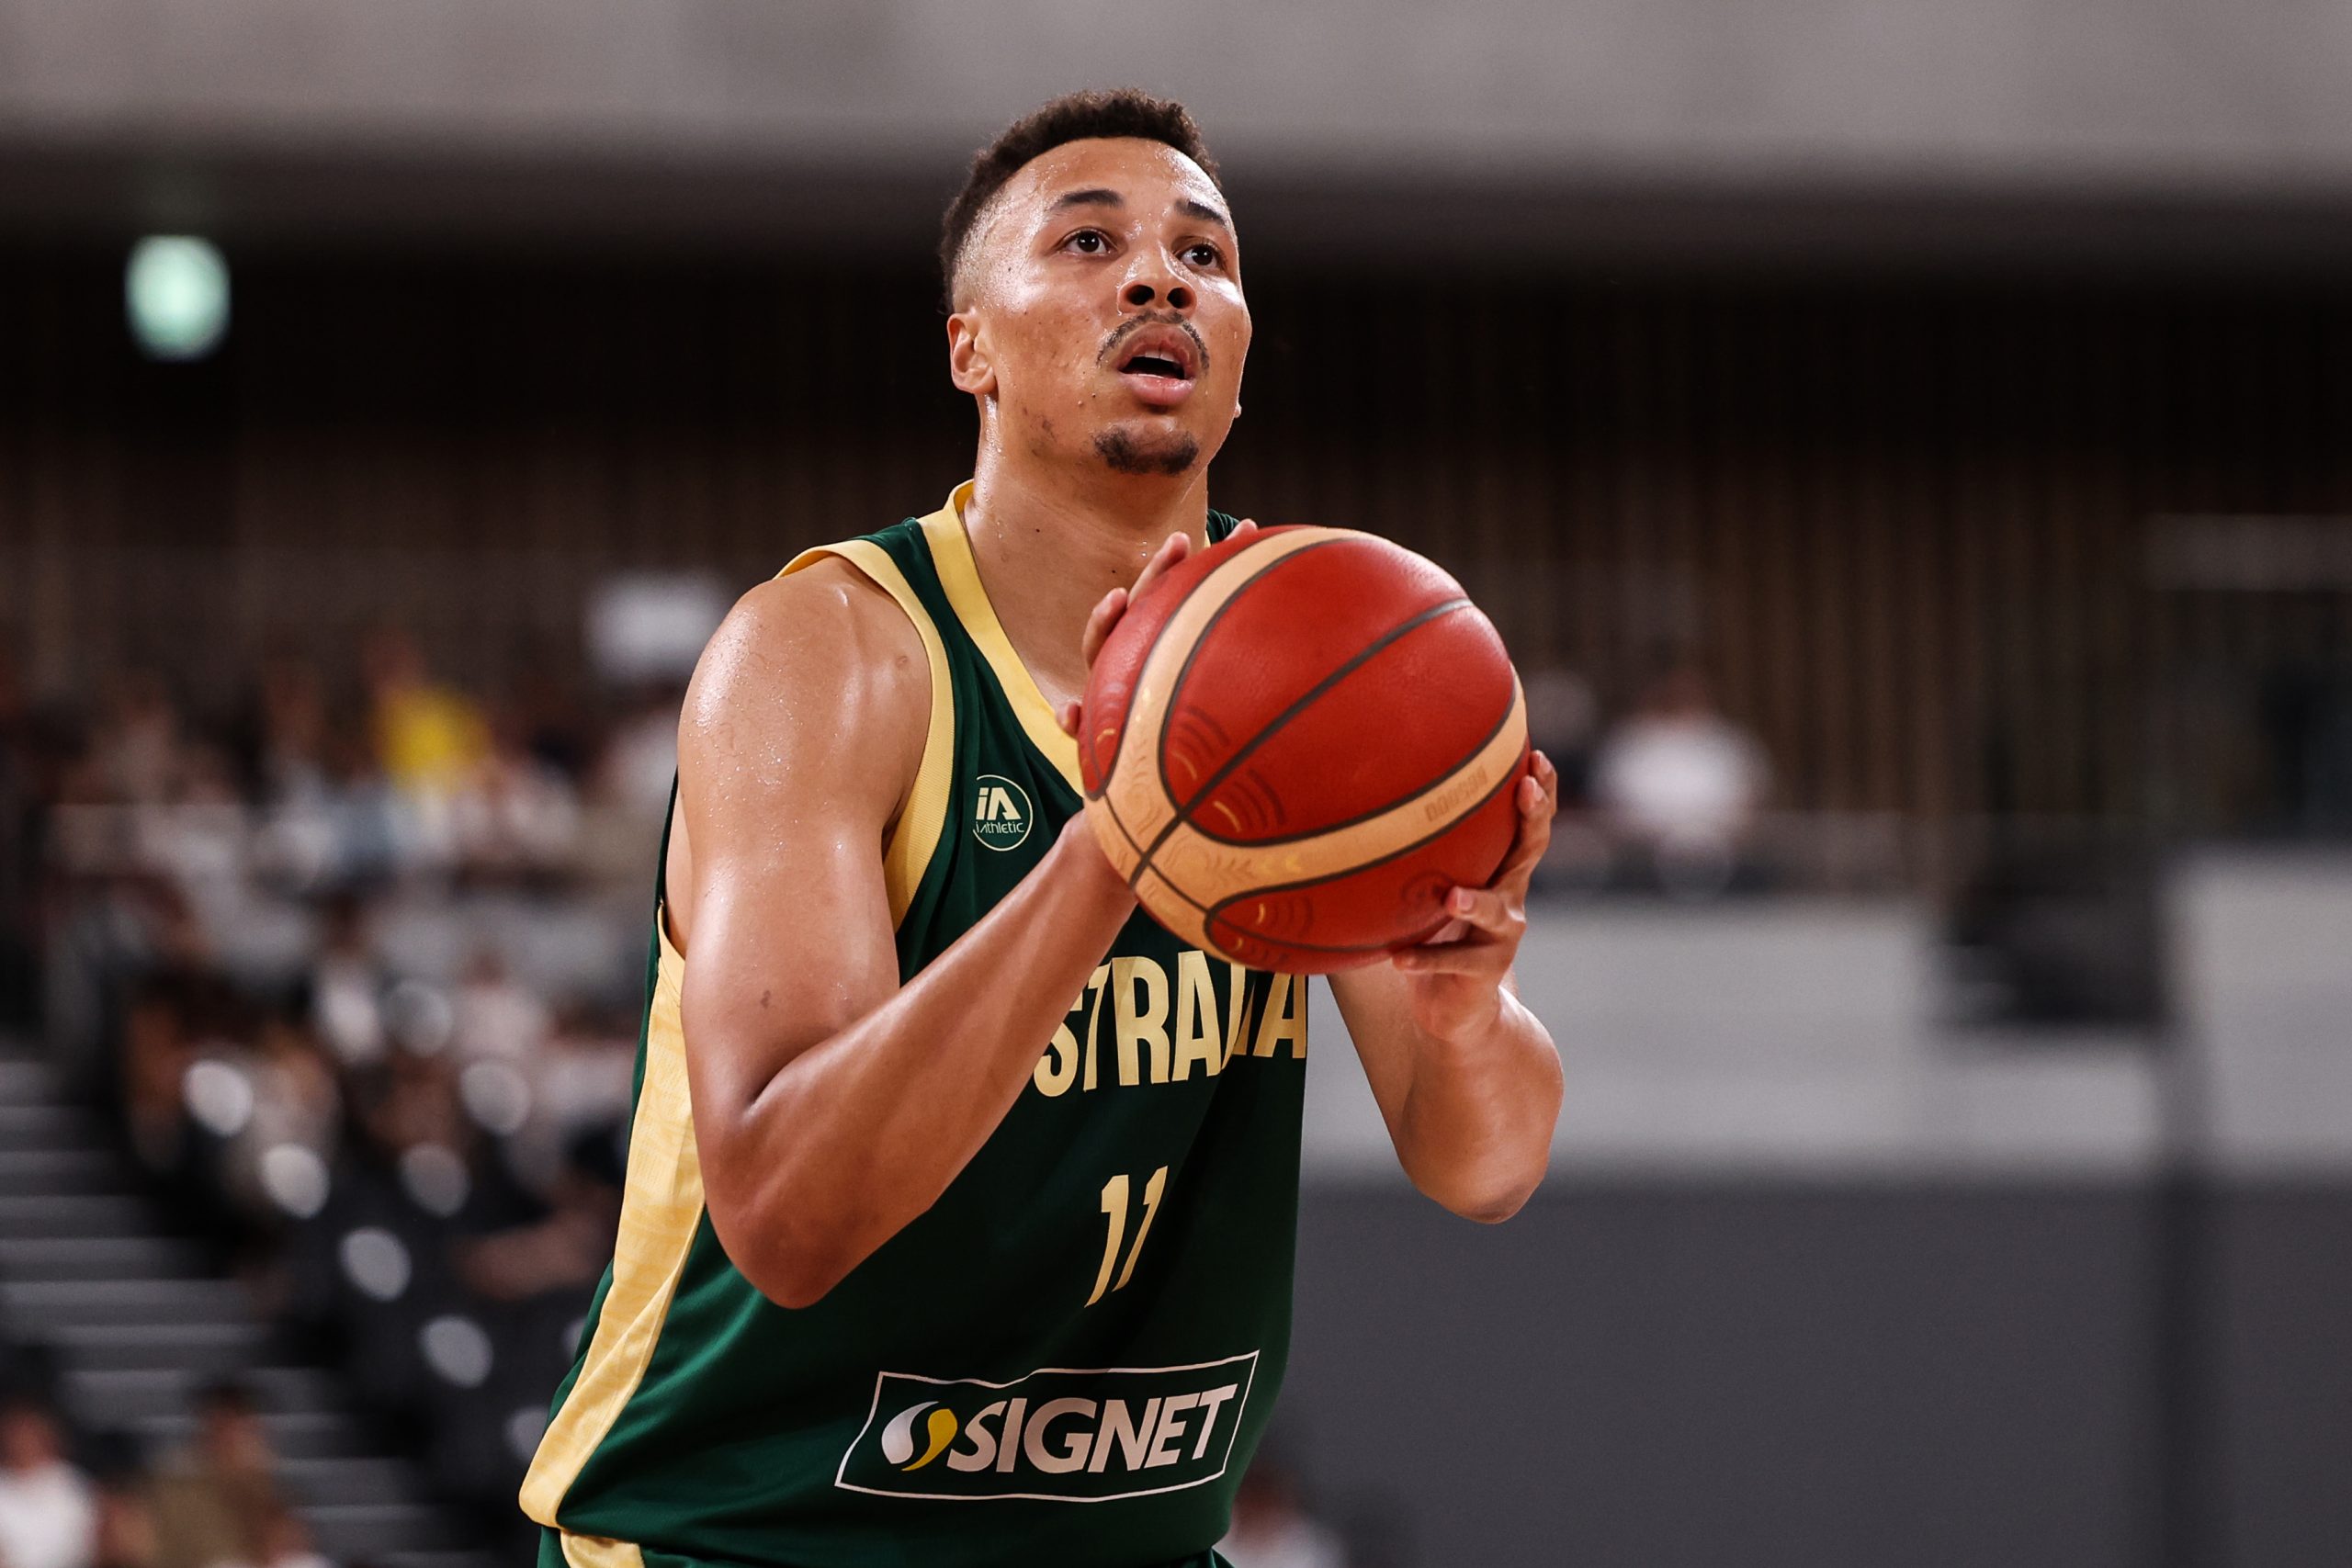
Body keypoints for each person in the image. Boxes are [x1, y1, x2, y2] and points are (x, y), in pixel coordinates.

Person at [522, 89, 1563, 1568]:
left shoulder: (1311, 681)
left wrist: (1462, 1015)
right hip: (748, 1534)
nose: (1159, 276)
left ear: (1239, 361)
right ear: (971, 346)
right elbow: (788, 1214)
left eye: (1205, 255)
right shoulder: (829, 656)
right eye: (1091, 242)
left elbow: (1489, 1165)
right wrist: (1113, 847)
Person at [0, 1393, 98, 1568]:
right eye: (17, 1432)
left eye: (30, 1431)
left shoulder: (72, 1482)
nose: (23, 1440)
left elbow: (89, 1542)